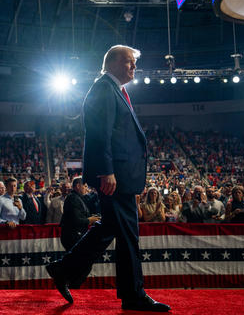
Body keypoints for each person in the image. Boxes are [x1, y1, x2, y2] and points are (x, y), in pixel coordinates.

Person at [45, 45, 170, 311]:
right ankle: (133, 295)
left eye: (134, 62)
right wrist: (106, 171)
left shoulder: (115, 90)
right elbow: (99, 133)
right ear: (112, 63)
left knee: (111, 228)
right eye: (128, 62)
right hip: (115, 176)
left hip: (122, 174)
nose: (133, 67)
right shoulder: (104, 88)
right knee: (128, 236)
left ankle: (64, 269)